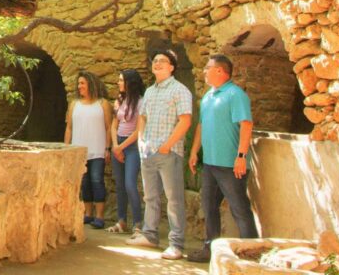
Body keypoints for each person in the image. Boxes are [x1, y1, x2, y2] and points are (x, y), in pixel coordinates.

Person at [186, 54, 260, 263]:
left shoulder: (235, 95)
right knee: (208, 207)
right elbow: (201, 125)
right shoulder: (209, 96)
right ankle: (210, 249)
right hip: (210, 163)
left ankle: (251, 255)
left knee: (239, 209)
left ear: (220, 71)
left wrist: (241, 157)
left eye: (207, 67)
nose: (204, 71)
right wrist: (194, 152)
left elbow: (246, 124)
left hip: (230, 164)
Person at [125, 50, 192, 261]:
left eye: (162, 61)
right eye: (155, 61)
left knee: (173, 199)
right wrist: (142, 141)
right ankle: (150, 235)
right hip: (148, 151)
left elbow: (185, 121)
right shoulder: (150, 92)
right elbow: (142, 118)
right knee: (150, 196)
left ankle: (176, 244)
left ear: (172, 67)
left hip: (169, 153)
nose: (157, 64)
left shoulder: (180, 90)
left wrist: (167, 145)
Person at [64, 71, 113, 230]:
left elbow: (108, 128)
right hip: (79, 151)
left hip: (98, 150)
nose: (80, 87)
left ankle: (99, 216)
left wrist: (108, 148)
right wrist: (66, 148)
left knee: (97, 180)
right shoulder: (74, 104)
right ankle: (88, 214)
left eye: (82, 83)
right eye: (78, 84)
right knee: (84, 183)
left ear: (91, 84)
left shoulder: (102, 104)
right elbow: (69, 128)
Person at [105, 69, 146, 234]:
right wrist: (115, 145)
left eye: (121, 80)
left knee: (130, 184)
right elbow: (114, 125)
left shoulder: (141, 102)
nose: (118, 83)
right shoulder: (119, 101)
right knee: (120, 185)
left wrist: (121, 147)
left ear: (130, 83)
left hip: (132, 146)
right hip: (118, 144)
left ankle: (138, 224)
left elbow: (138, 130)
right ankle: (121, 221)